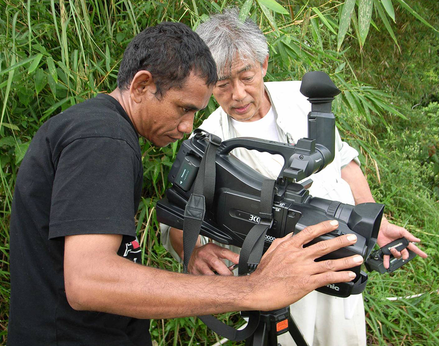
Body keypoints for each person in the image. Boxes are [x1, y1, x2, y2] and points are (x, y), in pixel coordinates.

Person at [6, 21, 364, 346]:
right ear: (142, 85)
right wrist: (250, 289)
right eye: (183, 108)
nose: (189, 127)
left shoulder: (96, 130)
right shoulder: (103, 138)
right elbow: (89, 281)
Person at [160, 9, 428, 346]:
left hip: (337, 260)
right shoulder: (207, 141)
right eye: (222, 84)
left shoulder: (306, 101)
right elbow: (176, 221)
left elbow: (344, 161)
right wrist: (193, 253)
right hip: (274, 284)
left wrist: (372, 219)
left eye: (246, 76)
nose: (238, 94)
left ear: (264, 65)